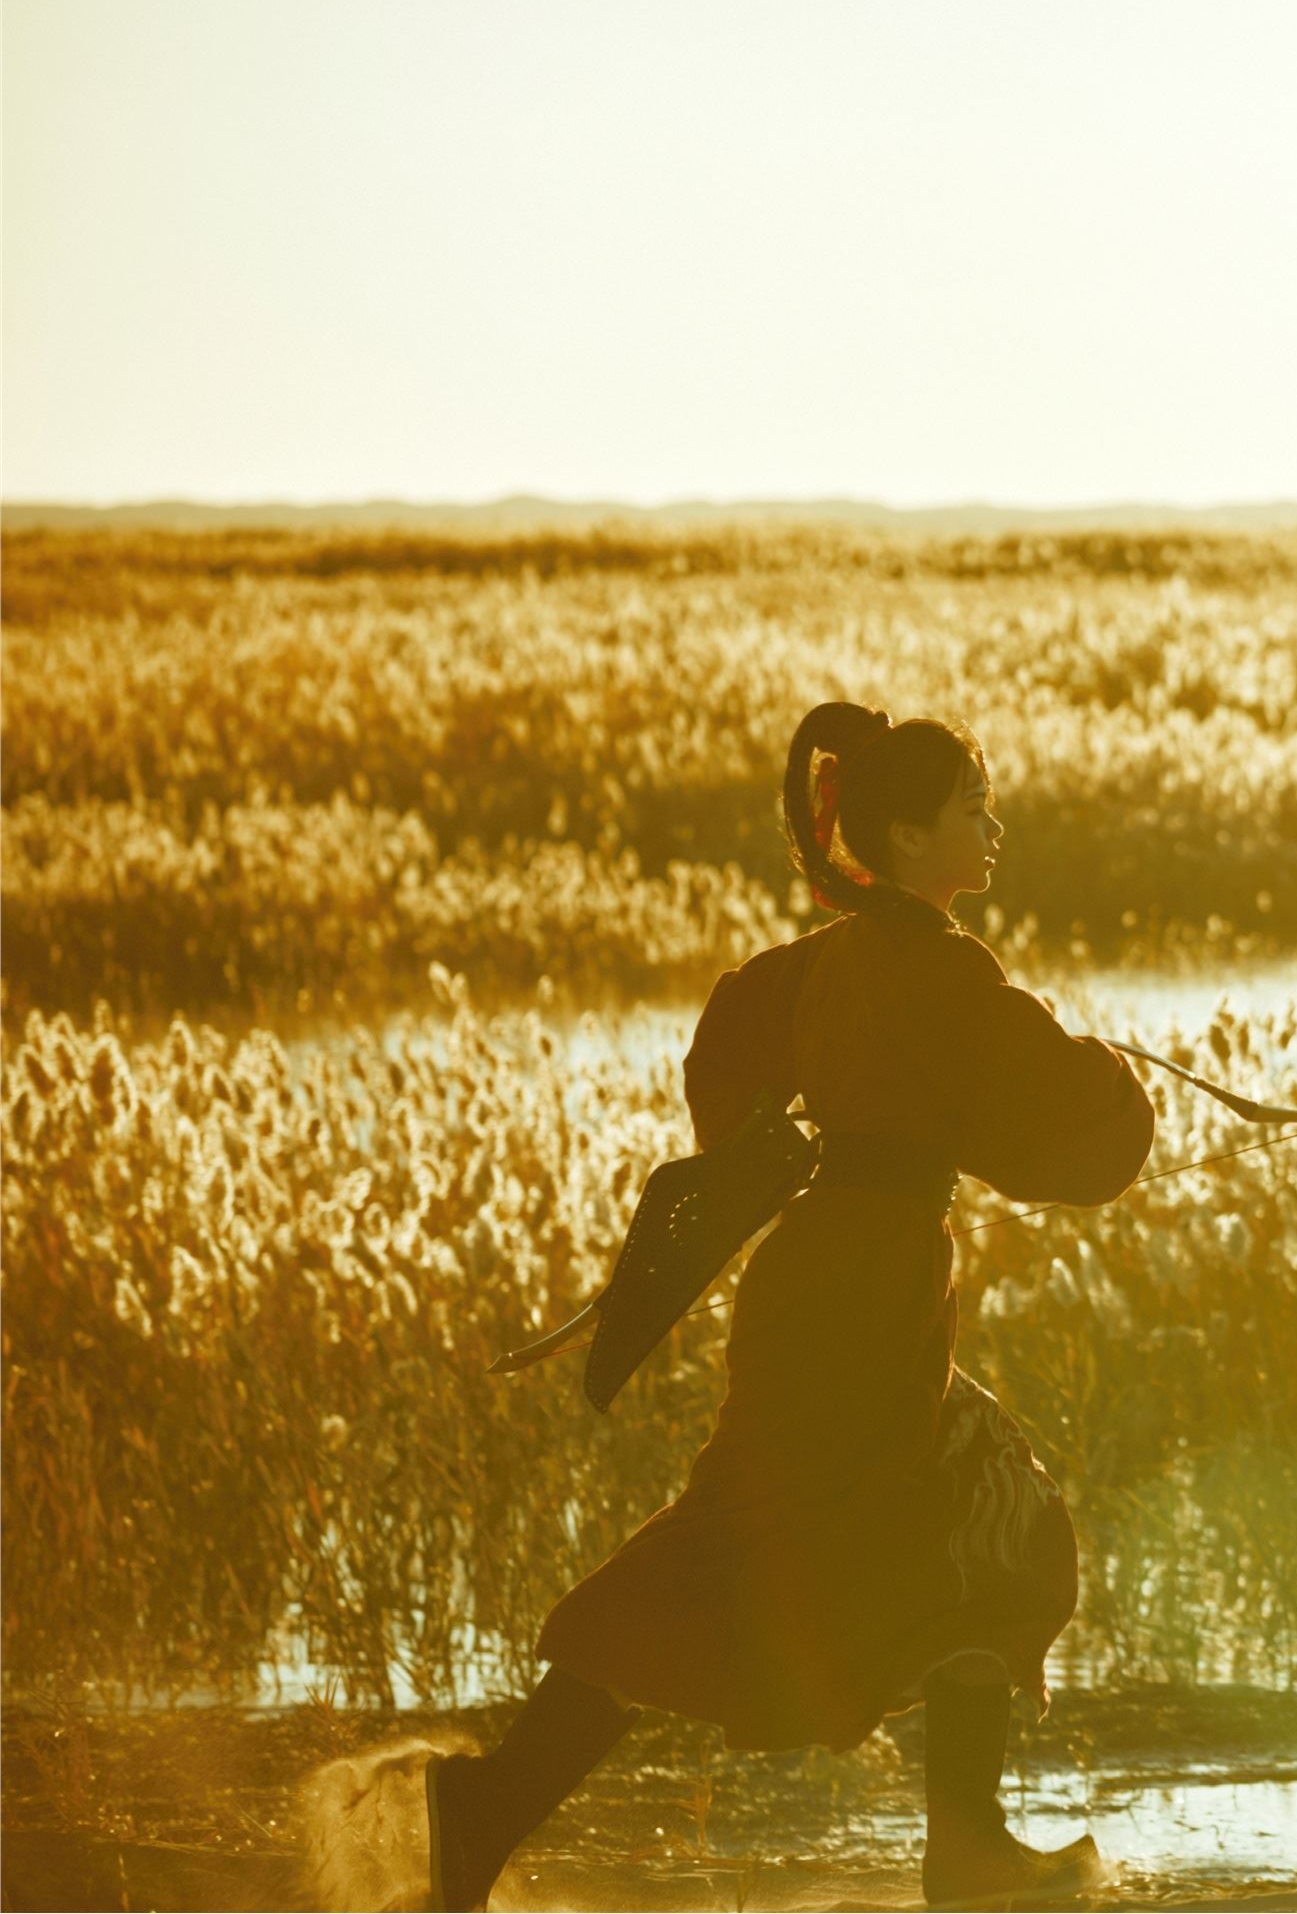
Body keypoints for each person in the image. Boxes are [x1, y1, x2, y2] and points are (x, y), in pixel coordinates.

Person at [422, 702, 1153, 1911]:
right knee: (912, 1524)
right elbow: (1056, 1099)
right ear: (907, 835)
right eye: (973, 809)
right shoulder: (943, 965)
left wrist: (784, 1137)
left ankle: (961, 1843)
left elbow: (727, 1049)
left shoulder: (825, 961)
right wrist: (1123, 1082)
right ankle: (497, 1802)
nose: (994, 830)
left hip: (829, 1278)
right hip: (865, 1295)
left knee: (944, 1511)